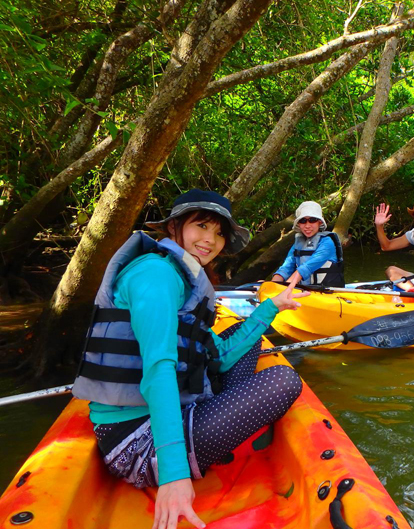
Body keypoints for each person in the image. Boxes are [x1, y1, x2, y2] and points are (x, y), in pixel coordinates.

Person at [72, 189, 308, 529]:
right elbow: (158, 370)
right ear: (174, 228)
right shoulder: (155, 275)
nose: (210, 240)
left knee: (251, 342)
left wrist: (271, 307)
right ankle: (196, 450)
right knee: (284, 380)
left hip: (185, 408)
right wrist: (173, 476)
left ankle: (216, 422)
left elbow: (220, 357)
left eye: (220, 232)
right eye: (201, 226)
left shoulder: (183, 279)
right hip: (136, 442)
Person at [271, 201, 345, 287]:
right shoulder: (297, 244)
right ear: (299, 224)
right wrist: (272, 285)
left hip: (327, 293)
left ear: (319, 222)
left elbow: (305, 269)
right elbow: (286, 267)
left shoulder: (327, 243)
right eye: (303, 221)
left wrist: (284, 289)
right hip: (306, 290)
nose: (307, 225)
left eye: (312, 220)